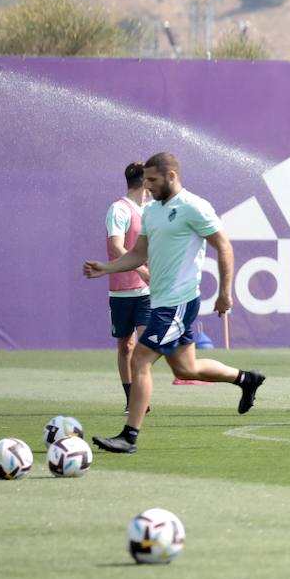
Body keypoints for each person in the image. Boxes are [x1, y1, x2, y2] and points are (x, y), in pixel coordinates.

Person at [84, 152, 265, 454]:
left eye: (153, 180)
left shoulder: (194, 207)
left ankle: (129, 436)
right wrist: (107, 267)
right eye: (146, 182)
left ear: (171, 176)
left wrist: (225, 292)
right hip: (162, 302)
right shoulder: (152, 210)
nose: (148, 186)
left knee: (140, 359)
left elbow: (224, 247)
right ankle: (246, 379)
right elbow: (138, 254)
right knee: (185, 368)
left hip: (178, 303)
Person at [105, 162, 152, 413]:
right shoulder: (119, 209)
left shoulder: (153, 210)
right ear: (145, 182)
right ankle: (131, 398)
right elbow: (116, 247)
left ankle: (142, 398)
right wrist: (141, 269)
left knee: (145, 345)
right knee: (126, 346)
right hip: (122, 290)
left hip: (146, 292)